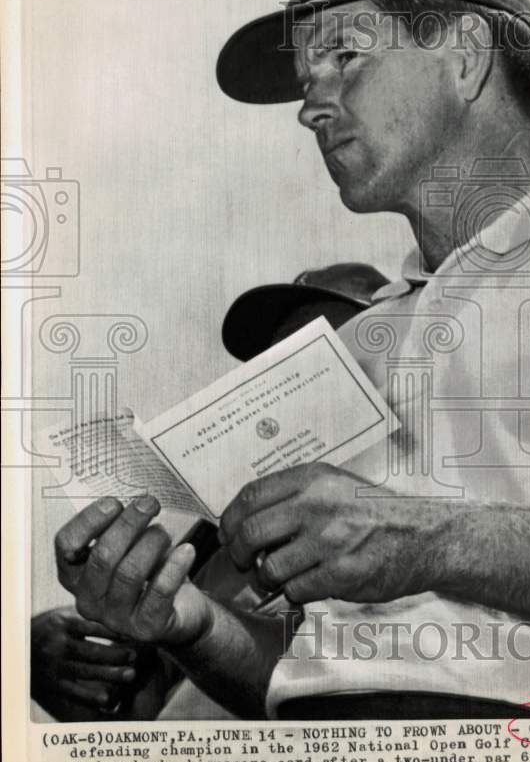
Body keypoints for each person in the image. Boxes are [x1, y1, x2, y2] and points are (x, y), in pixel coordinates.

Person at [54, 0, 530, 720]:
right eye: (308, 77)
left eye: (345, 55)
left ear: (467, 58)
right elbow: (309, 678)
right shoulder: (358, 341)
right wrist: (190, 625)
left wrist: (429, 541)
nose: (313, 105)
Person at [34, 263, 388, 720]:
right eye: (273, 363)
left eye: (324, 356)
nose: (286, 382)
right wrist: (48, 660)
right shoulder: (212, 539)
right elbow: (147, 714)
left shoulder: (410, 522)